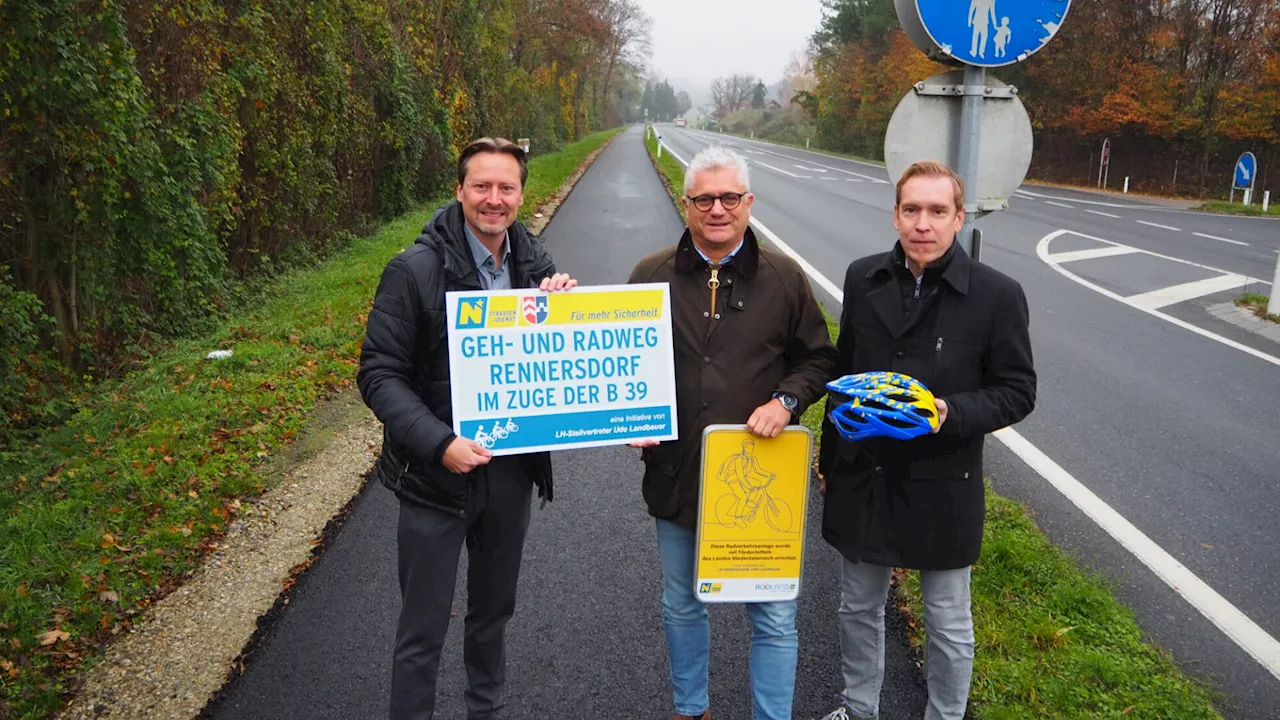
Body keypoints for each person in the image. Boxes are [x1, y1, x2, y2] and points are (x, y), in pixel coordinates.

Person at [357, 137, 576, 720]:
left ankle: (487, 709)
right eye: (482, 186)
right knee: (422, 629)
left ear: (521, 195)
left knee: (492, 615)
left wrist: (565, 312)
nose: (494, 199)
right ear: (459, 192)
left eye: (507, 188)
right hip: (436, 478)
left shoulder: (536, 263)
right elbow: (379, 375)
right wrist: (440, 443)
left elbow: (558, 371)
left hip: (509, 476)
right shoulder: (414, 269)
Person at [815, 161, 1036, 720]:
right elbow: (847, 370)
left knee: (947, 619)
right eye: (911, 209)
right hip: (866, 472)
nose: (923, 223)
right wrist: (830, 455)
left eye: (938, 211)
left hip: (944, 478)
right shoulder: (863, 278)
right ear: (895, 214)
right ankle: (858, 709)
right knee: (857, 606)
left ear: (959, 217)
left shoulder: (996, 296)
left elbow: (1017, 391)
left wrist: (947, 413)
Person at [628, 146, 838, 720]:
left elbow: (818, 359)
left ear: (748, 203)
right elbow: (624, 369)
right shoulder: (649, 276)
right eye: (704, 199)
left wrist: (787, 401)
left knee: (772, 614)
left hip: (758, 482)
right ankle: (690, 709)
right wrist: (629, 418)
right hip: (676, 474)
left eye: (729, 198)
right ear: (687, 203)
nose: (716, 209)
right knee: (681, 604)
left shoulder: (784, 278)